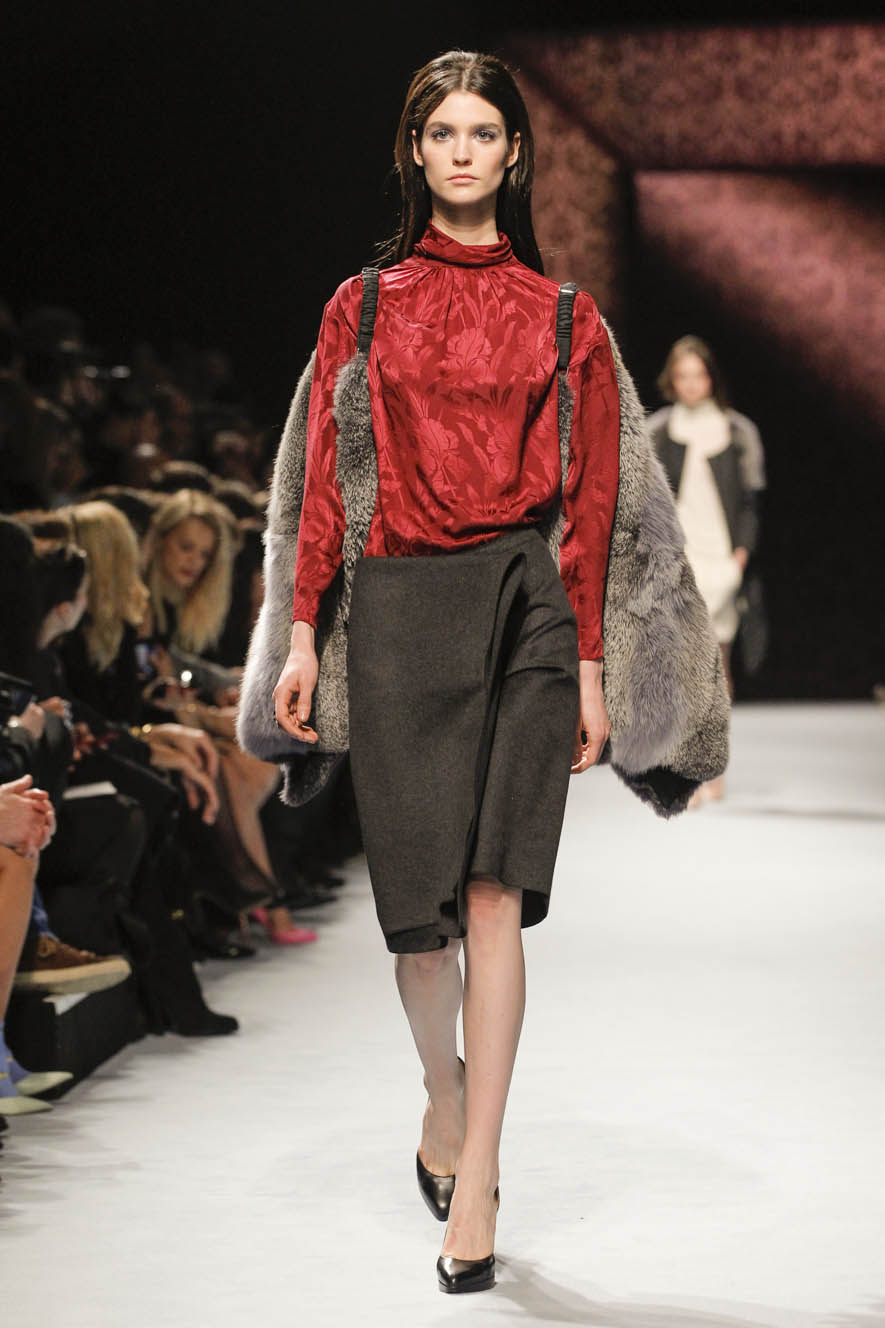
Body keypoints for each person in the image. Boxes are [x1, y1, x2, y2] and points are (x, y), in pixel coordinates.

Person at [255, 49, 729, 1295]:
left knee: (493, 896)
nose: (462, 152)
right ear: (414, 152)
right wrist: (301, 631)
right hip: (400, 608)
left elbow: (591, 501)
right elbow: (325, 480)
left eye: (483, 133)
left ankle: (480, 1177)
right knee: (417, 924)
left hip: (525, 605)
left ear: (515, 155)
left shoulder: (567, 316)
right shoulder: (361, 306)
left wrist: (590, 665)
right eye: (442, 133)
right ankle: (445, 1093)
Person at [648, 335, 766, 803]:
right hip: (679, 557)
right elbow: (644, 499)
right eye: (683, 376)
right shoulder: (658, 430)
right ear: (672, 380)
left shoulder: (737, 431)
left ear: (711, 378)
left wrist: (741, 555)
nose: (692, 384)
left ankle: (713, 767)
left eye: (699, 375)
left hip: (721, 560)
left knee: (718, 665)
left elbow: (751, 501)